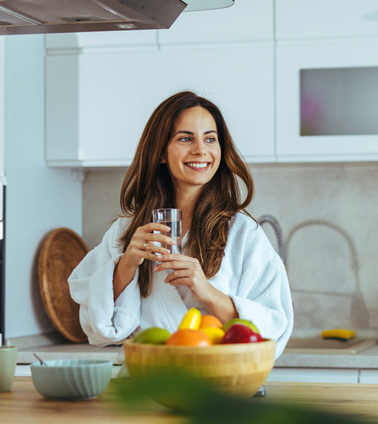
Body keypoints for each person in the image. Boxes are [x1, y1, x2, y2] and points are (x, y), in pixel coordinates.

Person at [68, 91, 293, 358]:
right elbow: (97, 323)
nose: (201, 150)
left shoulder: (244, 234)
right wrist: (126, 264)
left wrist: (206, 291)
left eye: (210, 139)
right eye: (186, 138)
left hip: (218, 383)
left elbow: (273, 325)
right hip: (145, 379)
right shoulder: (127, 231)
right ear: (161, 152)